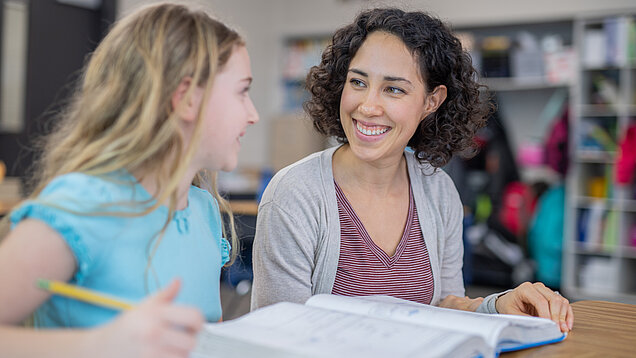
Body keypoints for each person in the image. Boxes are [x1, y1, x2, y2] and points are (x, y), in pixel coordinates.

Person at [251, 7, 573, 333]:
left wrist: (499, 304)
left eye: (394, 89)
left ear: (432, 101)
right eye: (358, 82)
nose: (367, 106)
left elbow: (444, 306)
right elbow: (277, 337)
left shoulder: (438, 190)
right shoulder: (295, 194)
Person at [0, 3, 258, 357]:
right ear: (186, 99)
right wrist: (98, 345)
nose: (253, 114)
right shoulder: (85, 205)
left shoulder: (205, 210)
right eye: (242, 92)